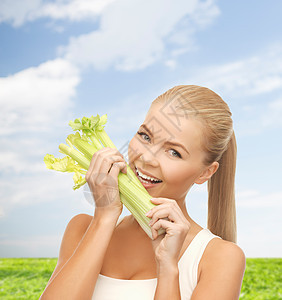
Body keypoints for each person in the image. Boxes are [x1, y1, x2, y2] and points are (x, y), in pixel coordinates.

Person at [40, 85, 246, 300]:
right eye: (145, 137)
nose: (146, 157)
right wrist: (104, 217)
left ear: (205, 173)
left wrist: (168, 268)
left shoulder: (219, 258)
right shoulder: (82, 229)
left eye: (174, 152)